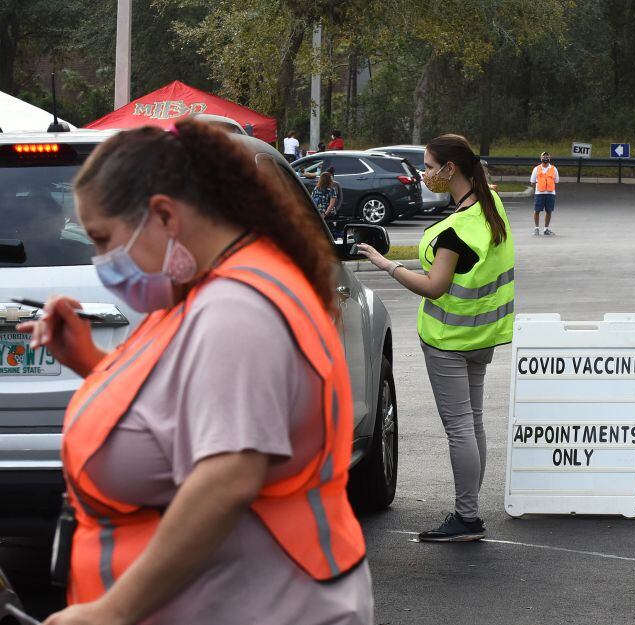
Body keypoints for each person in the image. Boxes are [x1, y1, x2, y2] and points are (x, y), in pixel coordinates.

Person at [22, 120, 373, 625]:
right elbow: (178, 412)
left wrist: (113, 611)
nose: (101, 262)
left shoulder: (238, 308)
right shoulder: (207, 291)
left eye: (103, 240)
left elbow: (226, 478)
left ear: (163, 215)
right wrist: (88, 363)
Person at [355, 133, 514, 543]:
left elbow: (433, 287)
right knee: (473, 422)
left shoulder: (455, 231)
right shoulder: (489, 203)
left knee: (459, 427)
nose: (424, 174)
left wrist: (385, 264)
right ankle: (469, 507)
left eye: (428, 166)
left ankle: (467, 516)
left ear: (450, 169)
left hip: (449, 339)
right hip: (482, 335)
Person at [530, 152, 558, 235]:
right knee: (537, 210)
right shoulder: (536, 169)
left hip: (550, 193)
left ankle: (546, 229)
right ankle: (536, 228)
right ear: (540, 158)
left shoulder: (554, 169)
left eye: (547, 156)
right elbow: (532, 181)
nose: (545, 158)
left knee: (549, 211)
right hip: (539, 193)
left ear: (549, 158)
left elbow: (556, 180)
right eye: (543, 156)